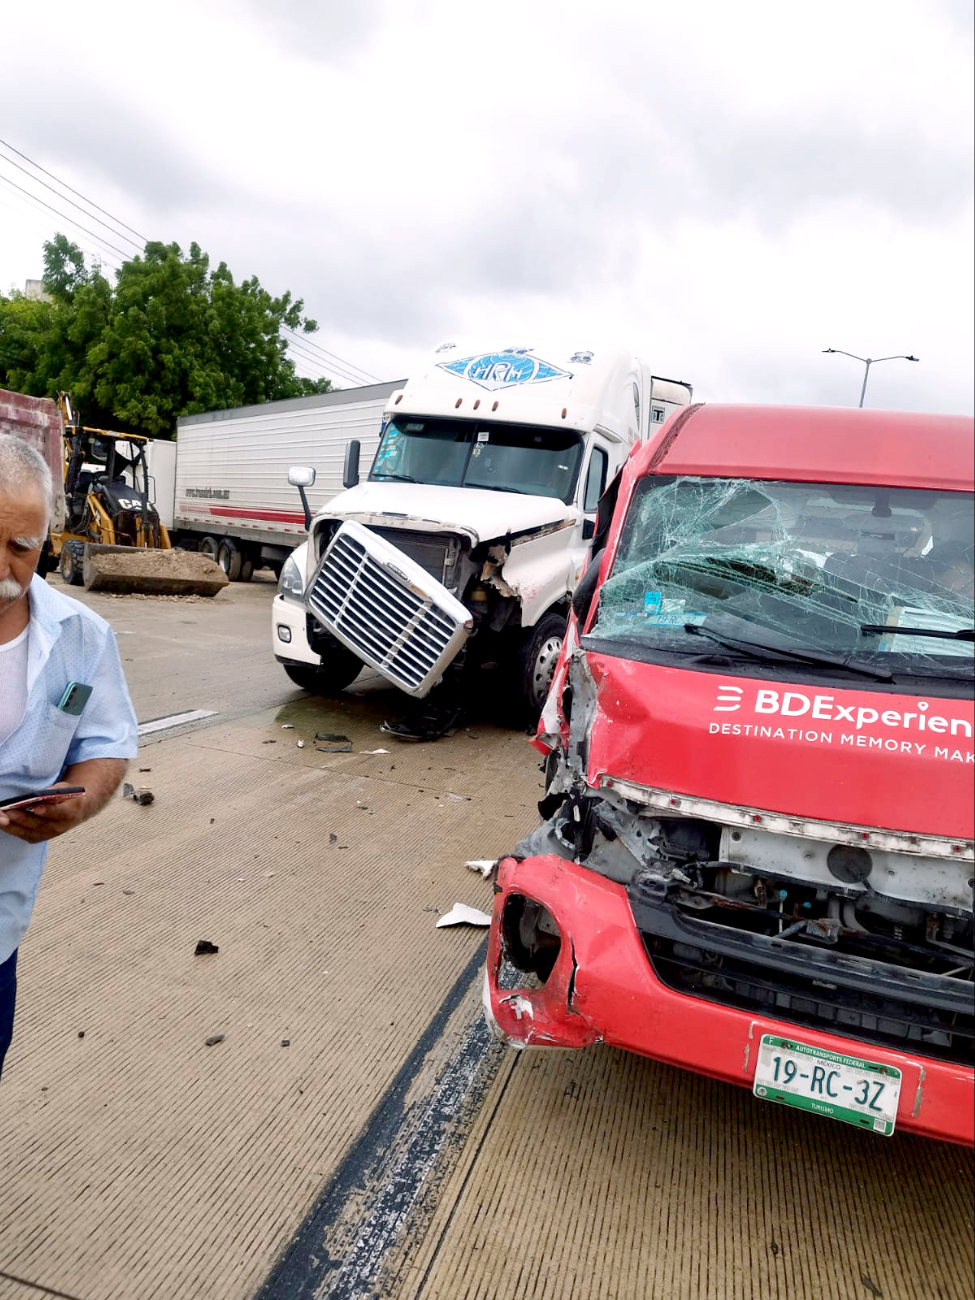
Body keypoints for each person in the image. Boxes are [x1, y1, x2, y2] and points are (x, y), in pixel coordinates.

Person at [0, 434, 138, 1081]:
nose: (1, 564)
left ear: (45, 543)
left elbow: (106, 743)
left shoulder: (82, 637)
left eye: (19, 548)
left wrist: (77, 802)